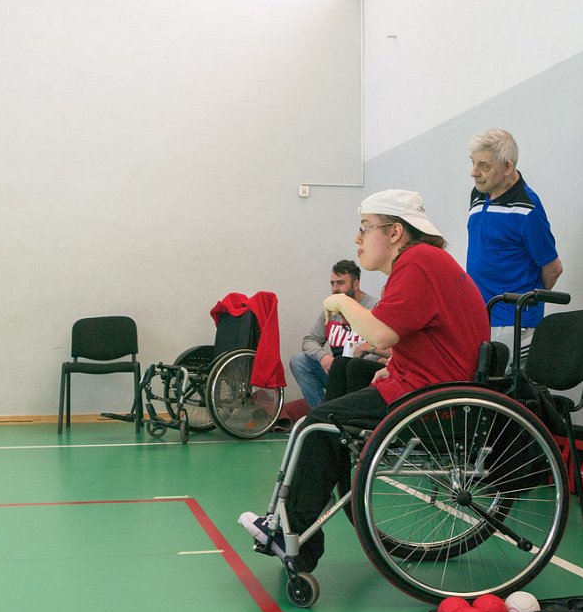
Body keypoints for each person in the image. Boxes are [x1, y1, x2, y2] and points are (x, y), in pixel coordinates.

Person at [241, 190, 489, 573]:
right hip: (431, 387)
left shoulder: (418, 262)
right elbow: (425, 338)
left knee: (316, 422)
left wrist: (341, 301)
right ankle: (330, 477)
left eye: (365, 228)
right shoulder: (423, 263)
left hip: (431, 401)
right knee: (344, 369)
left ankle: (297, 531)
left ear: (394, 232)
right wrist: (396, 364)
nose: (357, 239)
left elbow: (381, 335)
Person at [465, 129, 563, 359]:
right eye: (473, 163)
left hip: (514, 323)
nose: (474, 172)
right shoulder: (478, 194)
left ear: (507, 167)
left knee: (505, 382)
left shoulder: (528, 210)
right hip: (480, 317)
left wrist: (524, 305)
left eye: (483, 166)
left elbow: (553, 268)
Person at [288, 259, 382, 409]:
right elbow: (310, 340)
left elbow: (384, 346)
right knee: (299, 361)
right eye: (332, 283)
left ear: (355, 284)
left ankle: (333, 412)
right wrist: (324, 357)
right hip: (335, 369)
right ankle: (320, 412)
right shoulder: (331, 308)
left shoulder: (374, 307)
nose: (335, 289)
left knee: (353, 368)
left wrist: (355, 363)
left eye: (340, 283)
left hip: (360, 372)